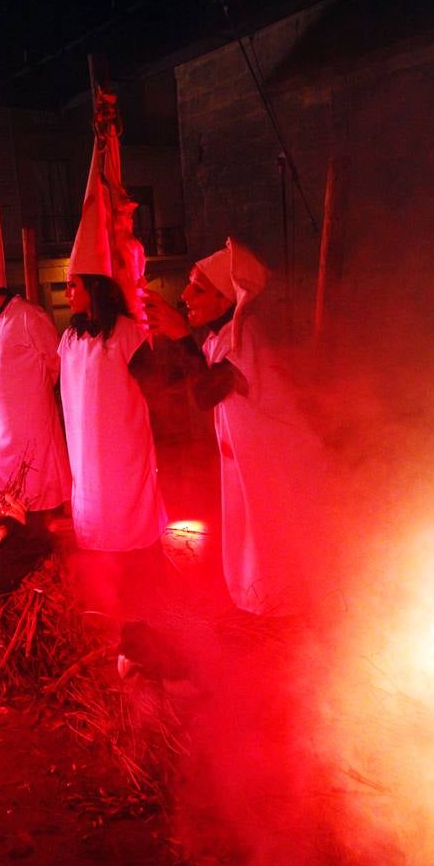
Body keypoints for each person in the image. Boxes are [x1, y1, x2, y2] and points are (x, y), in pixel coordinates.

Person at [145, 237, 324, 615]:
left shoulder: (246, 336)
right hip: (249, 462)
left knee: (275, 541)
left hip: (277, 463)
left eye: (198, 288)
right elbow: (188, 382)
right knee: (254, 540)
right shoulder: (219, 337)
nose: (185, 297)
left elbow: (208, 392)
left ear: (225, 301)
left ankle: (287, 618)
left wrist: (181, 337)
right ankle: (264, 606)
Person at [0, 161, 71, 525]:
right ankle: (8, 515)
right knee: (4, 472)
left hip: (30, 411)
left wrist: (36, 390)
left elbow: (55, 360)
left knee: (38, 469)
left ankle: (46, 516)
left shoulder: (29, 316)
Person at [58, 272, 167, 553]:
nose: (66, 294)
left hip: (121, 443)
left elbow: (155, 385)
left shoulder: (127, 332)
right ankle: (99, 562)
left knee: (124, 504)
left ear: (95, 288)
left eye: (73, 286)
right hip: (83, 444)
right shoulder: (70, 337)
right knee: (93, 502)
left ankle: (138, 564)